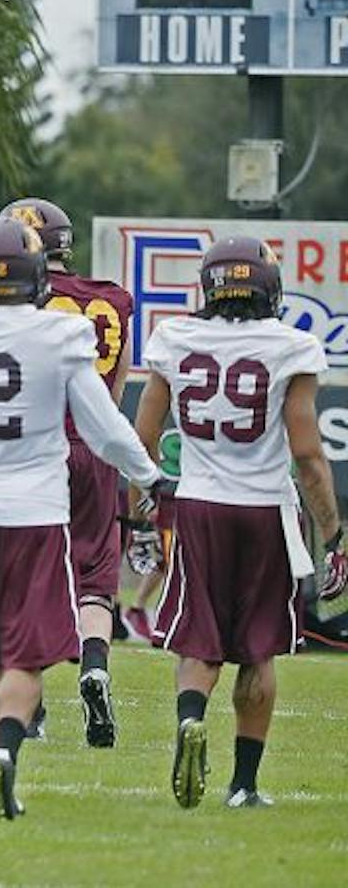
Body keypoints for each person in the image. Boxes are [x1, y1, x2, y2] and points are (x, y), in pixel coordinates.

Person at [0, 217, 163, 823]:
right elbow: (102, 427)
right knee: (25, 659)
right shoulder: (62, 335)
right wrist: (150, 477)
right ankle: (7, 758)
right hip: (36, 514)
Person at [134, 236, 348, 810]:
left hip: (198, 505)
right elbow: (307, 452)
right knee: (258, 651)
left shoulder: (175, 338)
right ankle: (244, 784)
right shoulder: (293, 346)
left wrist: (138, 515)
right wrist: (334, 534)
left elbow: (144, 439)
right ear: (269, 289)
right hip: (264, 513)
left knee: (198, 639)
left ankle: (189, 719)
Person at [5, 195, 134, 748]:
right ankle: (95, 665)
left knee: (33, 572)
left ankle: (30, 709)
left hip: (41, 449)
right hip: (97, 447)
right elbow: (119, 387)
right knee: (97, 576)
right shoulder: (113, 300)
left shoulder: (19, 302)